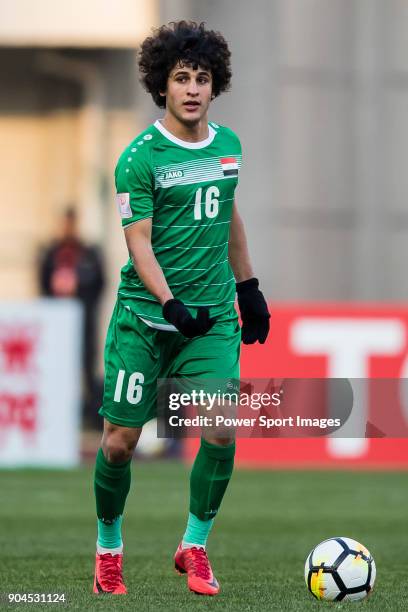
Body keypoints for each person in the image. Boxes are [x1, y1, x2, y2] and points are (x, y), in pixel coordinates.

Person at [93, 21, 270, 596]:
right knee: (120, 443)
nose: (192, 88)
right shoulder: (138, 159)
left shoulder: (228, 147)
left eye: (201, 78)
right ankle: (109, 549)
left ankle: (194, 543)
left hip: (210, 319)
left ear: (214, 85)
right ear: (161, 86)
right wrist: (170, 305)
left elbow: (228, 215)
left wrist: (249, 287)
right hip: (148, 320)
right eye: (181, 78)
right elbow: (138, 241)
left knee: (220, 430)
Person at [39, 207, 105, 427]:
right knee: (56, 369)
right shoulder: (51, 252)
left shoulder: (88, 252)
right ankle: (56, 415)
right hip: (57, 325)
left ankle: (90, 418)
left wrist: (79, 287)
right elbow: (43, 284)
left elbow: (99, 284)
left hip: (84, 322)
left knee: (87, 368)